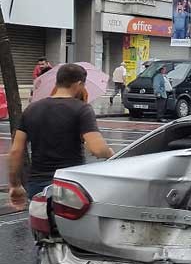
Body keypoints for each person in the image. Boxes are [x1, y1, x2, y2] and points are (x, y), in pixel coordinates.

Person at [7, 63, 114, 209]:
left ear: (58, 82)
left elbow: (16, 151)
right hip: (70, 184)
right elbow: (97, 149)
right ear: (79, 84)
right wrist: (109, 153)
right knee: (69, 228)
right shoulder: (82, 109)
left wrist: (15, 185)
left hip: (37, 184)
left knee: (42, 226)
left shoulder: (32, 109)